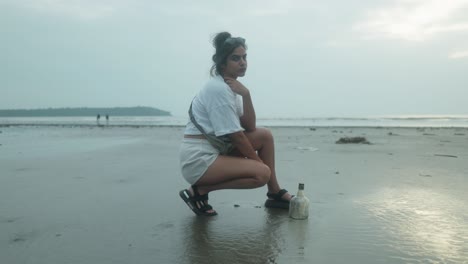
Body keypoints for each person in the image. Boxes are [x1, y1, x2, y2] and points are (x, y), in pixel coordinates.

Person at [179, 32, 292, 216]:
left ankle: (274, 193)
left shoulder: (231, 87)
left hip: (214, 150)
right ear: (222, 63)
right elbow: (236, 136)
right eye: (235, 58)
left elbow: (250, 127)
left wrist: (246, 95)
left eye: (244, 57)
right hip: (199, 160)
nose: (242, 62)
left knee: (265, 135)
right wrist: (259, 164)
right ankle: (200, 191)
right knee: (261, 174)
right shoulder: (218, 90)